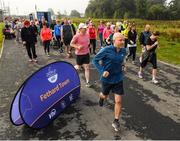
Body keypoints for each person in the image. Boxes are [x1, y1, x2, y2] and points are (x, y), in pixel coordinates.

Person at [92, 33, 126, 132]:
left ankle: (116, 120)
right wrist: (102, 71)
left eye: (123, 40)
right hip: (107, 79)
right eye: (120, 40)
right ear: (114, 40)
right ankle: (101, 97)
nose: (123, 42)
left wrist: (123, 66)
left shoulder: (124, 50)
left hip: (118, 78)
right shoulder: (106, 50)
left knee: (118, 100)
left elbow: (122, 61)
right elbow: (95, 60)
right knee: (104, 96)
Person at [70, 23, 91, 87]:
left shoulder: (87, 35)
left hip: (86, 53)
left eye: (86, 28)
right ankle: (71, 69)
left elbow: (88, 42)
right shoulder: (76, 36)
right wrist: (77, 47)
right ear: (80, 29)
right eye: (84, 28)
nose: (85, 29)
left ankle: (88, 82)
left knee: (87, 68)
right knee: (78, 67)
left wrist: (88, 48)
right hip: (79, 54)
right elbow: (71, 44)